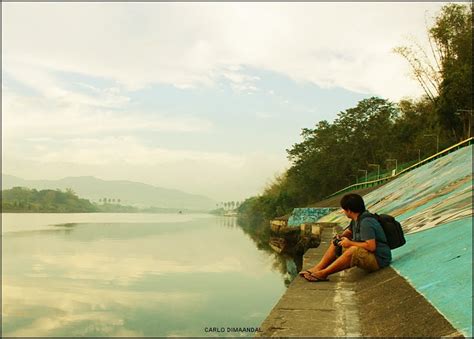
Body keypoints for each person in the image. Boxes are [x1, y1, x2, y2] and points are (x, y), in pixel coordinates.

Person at [300, 193, 391, 282]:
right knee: (336, 243)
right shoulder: (356, 219)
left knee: (353, 250)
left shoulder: (366, 222)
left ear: (349, 210)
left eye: (344, 210)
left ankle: (324, 273)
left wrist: (350, 243)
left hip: (379, 259)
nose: (343, 212)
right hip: (369, 254)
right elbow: (349, 232)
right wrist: (340, 237)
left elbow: (371, 246)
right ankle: (317, 268)